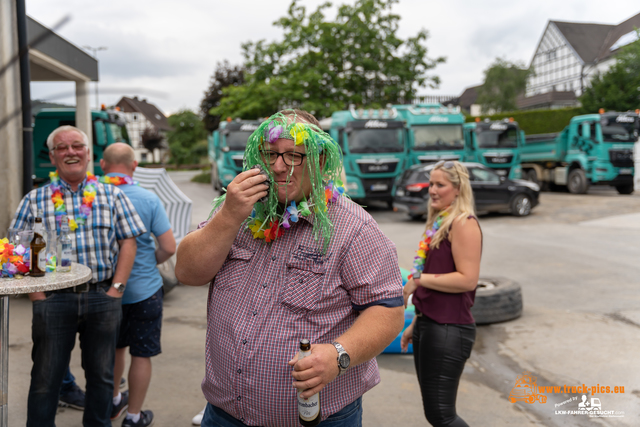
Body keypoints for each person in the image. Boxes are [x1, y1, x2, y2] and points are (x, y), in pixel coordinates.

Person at [175, 109, 405, 427]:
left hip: (318, 419)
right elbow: (187, 272)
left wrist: (339, 355)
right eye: (270, 154)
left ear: (320, 161)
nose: (278, 166)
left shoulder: (353, 228)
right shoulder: (239, 211)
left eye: (294, 155)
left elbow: (388, 309)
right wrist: (228, 215)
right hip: (223, 414)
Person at [10, 125, 146, 427]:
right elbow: (20, 249)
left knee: (102, 378)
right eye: (62, 147)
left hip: (102, 297)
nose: (70, 152)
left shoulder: (111, 196)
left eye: (77, 146)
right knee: (45, 379)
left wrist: (117, 291)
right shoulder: (35, 199)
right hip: (53, 300)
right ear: (52, 156)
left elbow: (129, 242)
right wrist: (39, 297)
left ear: (88, 153)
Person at [400, 160, 482, 427]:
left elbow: (467, 280)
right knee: (434, 414)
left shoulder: (463, 223)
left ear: (458, 189)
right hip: (430, 323)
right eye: (431, 184)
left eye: (440, 185)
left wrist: (417, 281)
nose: (432, 190)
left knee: (442, 415)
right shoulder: (440, 222)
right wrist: (417, 320)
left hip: (450, 328)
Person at [100, 143, 177, 426]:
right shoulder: (148, 198)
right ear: (134, 166)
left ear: (103, 165)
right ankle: (133, 417)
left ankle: (112, 401)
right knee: (141, 354)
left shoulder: (94, 197)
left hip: (107, 292)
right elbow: (168, 247)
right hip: (145, 290)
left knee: (115, 349)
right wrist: (147, 261)